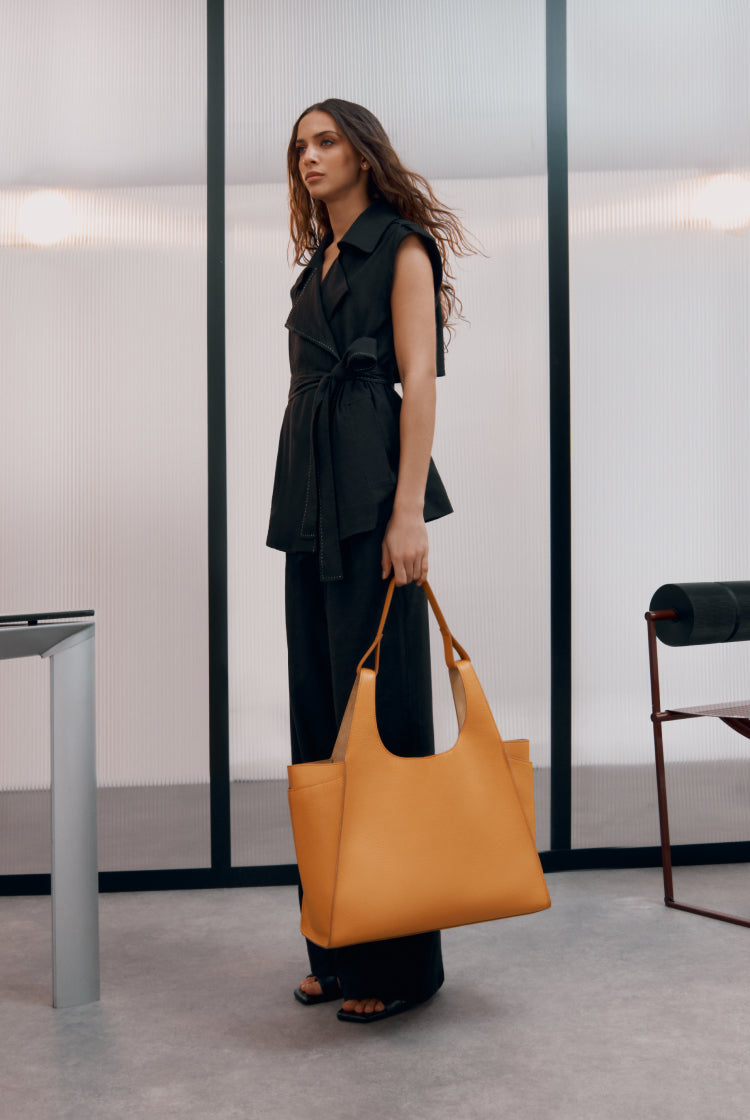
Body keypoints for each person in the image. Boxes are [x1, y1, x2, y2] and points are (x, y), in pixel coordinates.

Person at [266, 98, 474, 1023]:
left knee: (380, 727)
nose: (309, 157)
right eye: (299, 146)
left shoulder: (402, 247)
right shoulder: (317, 262)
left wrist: (406, 514)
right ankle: (337, 945)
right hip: (310, 506)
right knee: (319, 725)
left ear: (361, 151)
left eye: (325, 141)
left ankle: (399, 965)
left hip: (371, 503)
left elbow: (419, 380)